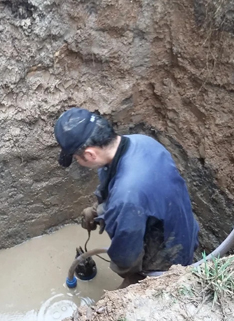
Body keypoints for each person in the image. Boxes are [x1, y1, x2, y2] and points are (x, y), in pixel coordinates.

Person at [54, 107, 200, 288]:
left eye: (76, 158)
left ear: (90, 154)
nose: (77, 162)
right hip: (184, 232)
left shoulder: (126, 196)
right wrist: (99, 211)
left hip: (167, 263)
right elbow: (135, 195)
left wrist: (130, 281)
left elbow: (126, 258)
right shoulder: (141, 142)